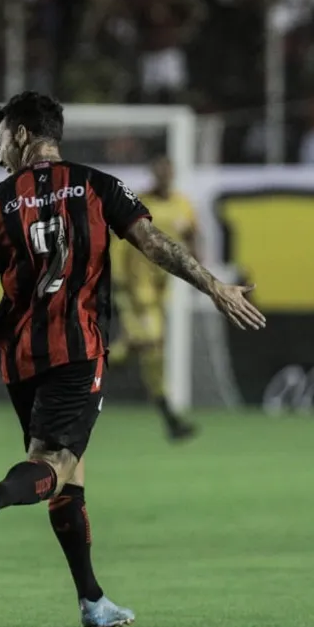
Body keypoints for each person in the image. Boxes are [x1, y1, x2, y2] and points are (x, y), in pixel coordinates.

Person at [0, 92, 265, 627]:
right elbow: (154, 243)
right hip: (77, 349)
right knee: (53, 466)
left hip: (18, 356)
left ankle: (92, 601)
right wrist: (212, 286)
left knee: (69, 475)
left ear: (24, 134)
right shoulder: (101, 187)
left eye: (2, 139)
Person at [108, 154, 198, 441]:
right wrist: (116, 280)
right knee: (152, 345)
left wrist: (198, 262)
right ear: (153, 174)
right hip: (134, 289)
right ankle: (169, 417)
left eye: (168, 171)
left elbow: (192, 233)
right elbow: (119, 242)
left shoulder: (182, 204)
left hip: (160, 291)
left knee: (148, 349)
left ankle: (106, 359)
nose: (164, 176)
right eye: (159, 172)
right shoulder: (139, 203)